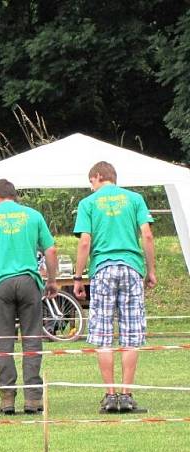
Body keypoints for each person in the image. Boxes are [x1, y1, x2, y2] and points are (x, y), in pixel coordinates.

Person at [0, 179, 58, 415]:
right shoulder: (33, 215)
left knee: (3, 341)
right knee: (32, 340)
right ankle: (33, 399)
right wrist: (53, 280)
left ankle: (7, 399)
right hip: (29, 283)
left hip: (1, 285)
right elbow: (51, 250)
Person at [73, 161, 156, 412]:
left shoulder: (88, 204)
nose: (91, 188)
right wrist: (150, 270)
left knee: (103, 336)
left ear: (98, 176)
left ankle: (110, 396)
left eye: (91, 182)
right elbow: (148, 235)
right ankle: (127, 395)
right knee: (131, 335)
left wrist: (78, 277)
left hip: (103, 269)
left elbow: (85, 243)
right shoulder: (135, 199)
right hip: (131, 268)